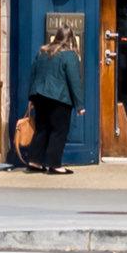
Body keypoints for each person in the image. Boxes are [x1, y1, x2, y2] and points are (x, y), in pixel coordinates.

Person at [21, 28, 85, 174]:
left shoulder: (42, 52)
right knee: (59, 131)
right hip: (59, 98)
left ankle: (34, 162)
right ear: (71, 39)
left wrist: (31, 98)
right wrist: (79, 105)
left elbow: (33, 74)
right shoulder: (69, 55)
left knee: (42, 129)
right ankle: (54, 165)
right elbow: (74, 81)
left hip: (39, 96)